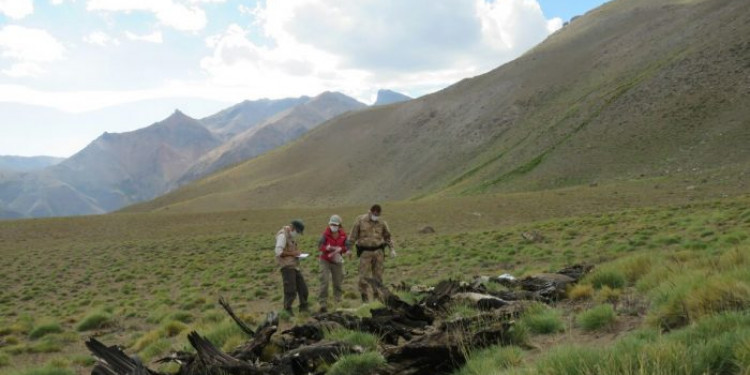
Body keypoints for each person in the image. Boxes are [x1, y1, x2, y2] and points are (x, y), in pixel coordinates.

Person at [349, 204, 395, 303]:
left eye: (377, 214)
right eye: (374, 213)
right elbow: (353, 236)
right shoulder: (360, 220)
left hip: (379, 252)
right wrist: (349, 249)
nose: (375, 215)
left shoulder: (382, 222)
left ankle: (377, 299)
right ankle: (364, 300)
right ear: (370, 211)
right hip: (365, 252)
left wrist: (392, 249)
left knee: (378, 277)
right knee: (363, 277)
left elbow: (388, 237)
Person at [274, 219, 309, 315]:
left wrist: (297, 254)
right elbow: (278, 252)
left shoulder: (291, 237)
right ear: (292, 228)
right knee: (290, 291)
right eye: (297, 231)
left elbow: (290, 250)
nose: (297, 234)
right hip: (287, 267)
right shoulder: (282, 235)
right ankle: (287, 311)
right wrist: (293, 253)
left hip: (294, 266)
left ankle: (304, 310)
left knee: (303, 289)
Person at [317, 214, 348, 313]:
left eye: (335, 224)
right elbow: (320, 246)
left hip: (337, 260)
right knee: (324, 280)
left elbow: (347, 247)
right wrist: (326, 248)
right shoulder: (325, 234)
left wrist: (341, 249)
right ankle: (323, 303)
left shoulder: (343, 235)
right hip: (325, 260)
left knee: (338, 282)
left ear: (339, 226)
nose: (333, 226)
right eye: (332, 224)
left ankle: (337, 301)